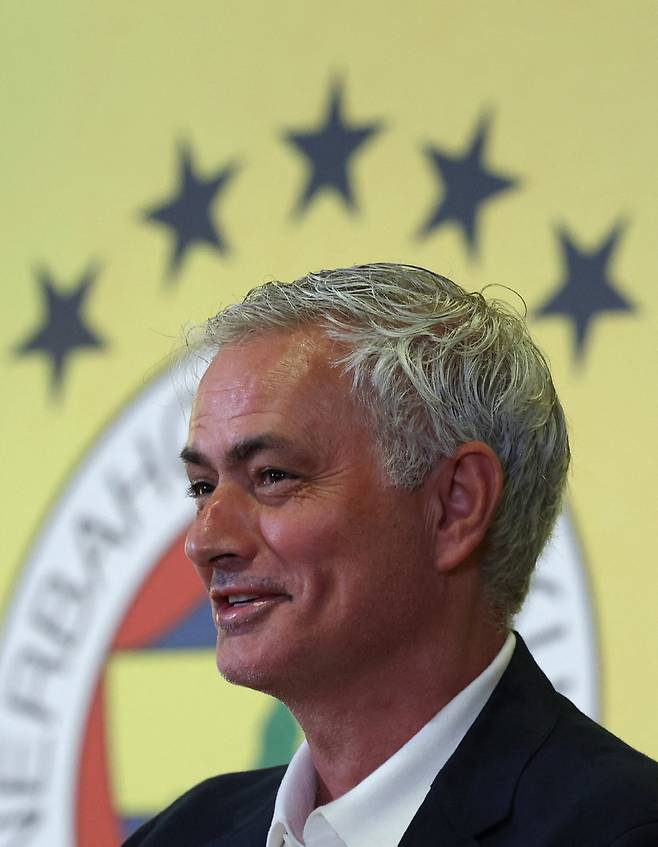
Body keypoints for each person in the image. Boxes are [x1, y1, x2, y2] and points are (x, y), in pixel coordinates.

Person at [125, 264, 658, 846]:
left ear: (456, 505)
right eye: (202, 487)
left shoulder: (621, 829)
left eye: (273, 475)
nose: (204, 542)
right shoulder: (182, 834)